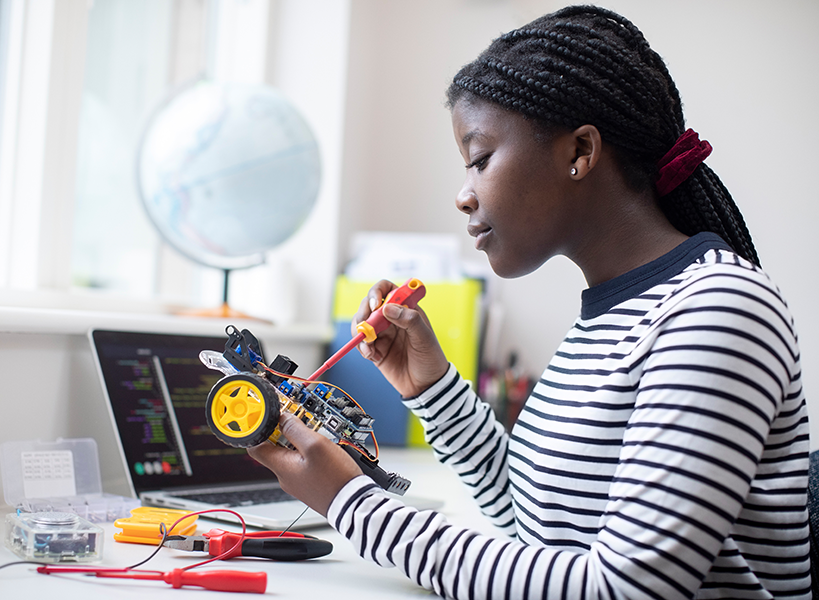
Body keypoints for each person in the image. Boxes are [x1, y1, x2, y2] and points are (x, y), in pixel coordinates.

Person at [248, 5, 810, 599]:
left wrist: (350, 503)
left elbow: (630, 588)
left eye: (480, 160)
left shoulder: (719, 309)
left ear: (580, 152)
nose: (463, 196)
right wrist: (431, 386)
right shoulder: (612, 316)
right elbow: (538, 526)